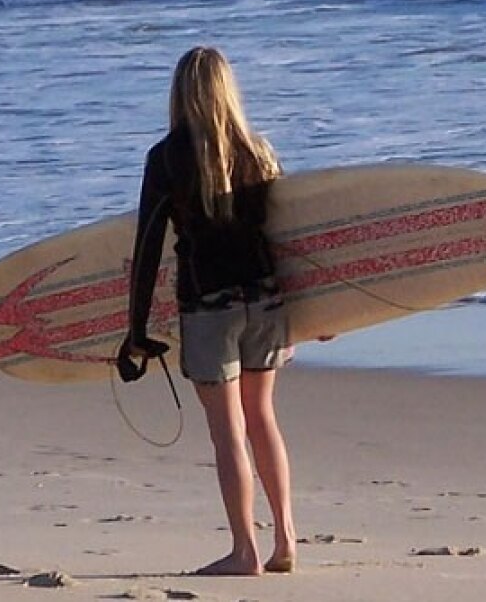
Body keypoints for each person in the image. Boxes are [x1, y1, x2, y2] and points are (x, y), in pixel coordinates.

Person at [121, 46, 297, 576]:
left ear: (179, 94)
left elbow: (148, 246)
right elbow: (290, 237)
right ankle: (285, 540)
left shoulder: (166, 158)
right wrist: (319, 310)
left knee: (228, 430)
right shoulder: (259, 151)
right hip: (266, 300)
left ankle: (245, 550)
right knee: (262, 418)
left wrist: (136, 330)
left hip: (208, 307)